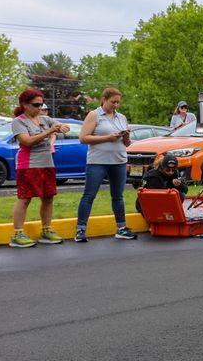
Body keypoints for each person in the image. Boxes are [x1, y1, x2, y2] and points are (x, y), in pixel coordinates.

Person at [9, 89, 70, 247]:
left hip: (47, 163)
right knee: (25, 198)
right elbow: (27, 141)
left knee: (48, 197)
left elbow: (57, 124)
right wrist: (49, 131)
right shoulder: (19, 122)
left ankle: (46, 231)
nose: (39, 108)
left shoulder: (44, 118)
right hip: (28, 165)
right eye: (36, 105)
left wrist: (62, 126)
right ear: (24, 105)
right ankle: (17, 234)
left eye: (41, 104)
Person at [76, 87, 137, 243]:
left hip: (119, 161)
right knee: (89, 195)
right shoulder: (94, 115)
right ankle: (81, 230)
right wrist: (107, 138)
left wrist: (126, 137)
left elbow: (127, 144)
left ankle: (121, 228)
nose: (115, 105)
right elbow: (83, 138)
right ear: (104, 99)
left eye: (117, 102)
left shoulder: (121, 117)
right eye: (112, 102)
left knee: (118, 196)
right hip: (98, 161)